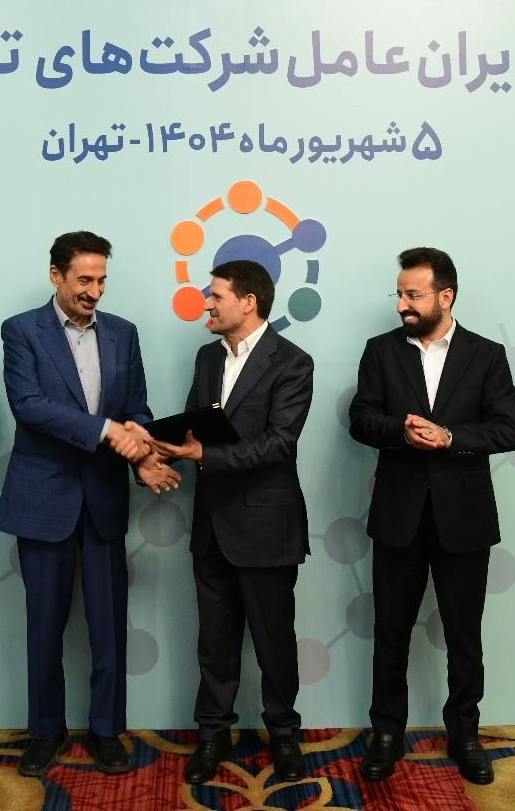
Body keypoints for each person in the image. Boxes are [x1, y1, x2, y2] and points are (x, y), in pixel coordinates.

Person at [0, 231, 178, 776]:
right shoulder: (21, 330)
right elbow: (29, 406)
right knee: (43, 626)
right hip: (42, 497)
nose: (94, 291)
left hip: (103, 497)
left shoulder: (123, 333)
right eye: (83, 280)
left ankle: (106, 730)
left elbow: (137, 410)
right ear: (56, 275)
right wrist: (107, 431)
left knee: (108, 626)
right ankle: (44, 732)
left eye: (101, 280)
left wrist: (142, 455)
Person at [347, 247, 515, 785]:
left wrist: (449, 437)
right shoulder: (380, 351)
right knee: (390, 633)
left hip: (464, 520)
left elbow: (508, 430)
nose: (402, 304)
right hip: (397, 516)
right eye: (400, 294)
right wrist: (400, 430)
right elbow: (360, 418)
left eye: (413, 295)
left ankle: (465, 735)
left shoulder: (487, 355)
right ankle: (386, 734)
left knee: (464, 636)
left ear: (445, 296)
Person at [151, 260, 313, 785]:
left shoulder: (293, 362)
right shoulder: (206, 357)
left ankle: (283, 735)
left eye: (216, 295)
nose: (207, 304)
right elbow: (193, 428)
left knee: (274, 641)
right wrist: (154, 452)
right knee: (214, 642)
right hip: (211, 527)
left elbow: (279, 443)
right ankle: (212, 735)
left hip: (267, 528)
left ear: (248, 302)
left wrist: (204, 456)